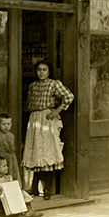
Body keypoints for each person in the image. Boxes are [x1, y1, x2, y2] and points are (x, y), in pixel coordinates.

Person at [21, 60, 74, 200]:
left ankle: (48, 189)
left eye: (44, 70)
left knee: (47, 152)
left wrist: (57, 111)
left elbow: (69, 96)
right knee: (35, 153)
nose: (41, 72)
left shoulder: (54, 84)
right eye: (39, 70)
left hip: (47, 119)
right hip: (35, 119)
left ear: (49, 72)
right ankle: (33, 187)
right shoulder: (33, 86)